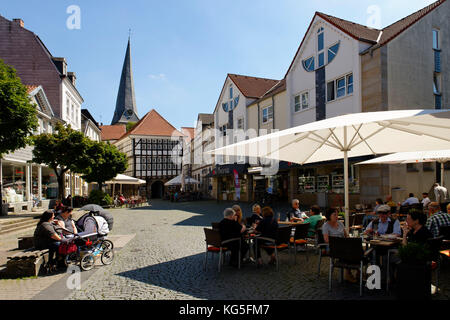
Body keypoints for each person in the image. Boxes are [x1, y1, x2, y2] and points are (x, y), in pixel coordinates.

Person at [322, 207, 356, 283]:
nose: (337, 216)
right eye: (334, 215)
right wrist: (339, 241)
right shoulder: (326, 225)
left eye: (337, 214)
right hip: (333, 247)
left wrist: (348, 240)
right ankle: (348, 273)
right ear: (329, 216)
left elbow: (346, 235)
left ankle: (357, 272)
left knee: (356, 250)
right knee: (349, 252)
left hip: (343, 245)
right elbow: (326, 240)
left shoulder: (340, 223)